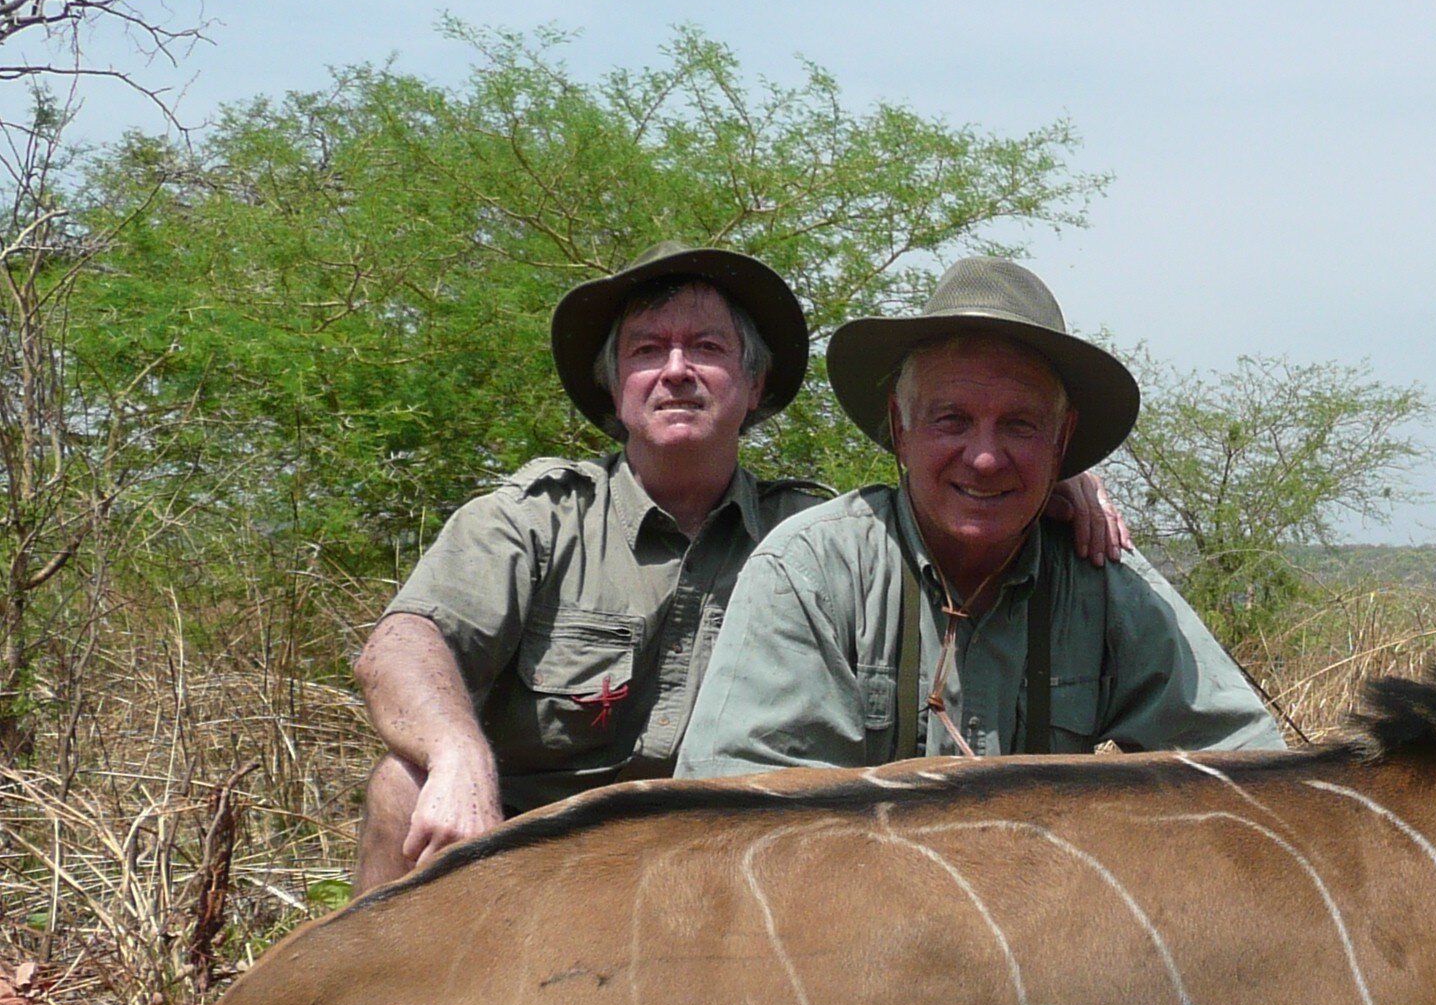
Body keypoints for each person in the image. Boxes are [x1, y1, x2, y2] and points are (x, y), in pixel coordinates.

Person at [351, 243, 1132, 894]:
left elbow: (943, 496)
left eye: (709, 349)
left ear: (755, 385)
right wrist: (459, 756)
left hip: (723, 879)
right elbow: (402, 645)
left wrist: (1045, 476)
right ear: (613, 383)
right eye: (648, 350)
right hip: (521, 857)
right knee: (402, 783)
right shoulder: (536, 519)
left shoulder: (818, 536)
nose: (677, 371)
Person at [677, 257, 1283, 776]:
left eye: (1021, 424)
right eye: (952, 420)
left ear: (1061, 438)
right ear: (899, 428)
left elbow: (1251, 771)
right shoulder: (811, 570)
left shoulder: (1101, 579)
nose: (987, 458)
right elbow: (733, 817)